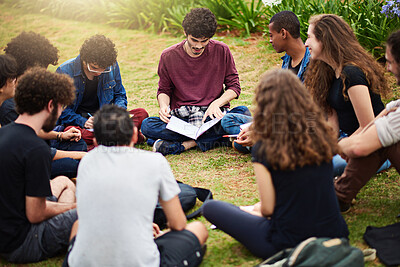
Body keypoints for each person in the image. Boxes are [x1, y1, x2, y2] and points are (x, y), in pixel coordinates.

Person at [202, 69, 348, 259]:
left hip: (290, 240)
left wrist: (252, 211)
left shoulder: (265, 148)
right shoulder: (319, 133)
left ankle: (244, 212)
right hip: (334, 231)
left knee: (210, 208)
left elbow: (269, 209)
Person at [62, 104, 208, 267]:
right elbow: (178, 224)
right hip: (140, 261)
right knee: (198, 228)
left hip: (80, 263)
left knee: (77, 225)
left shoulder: (87, 162)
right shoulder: (155, 161)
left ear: (95, 141)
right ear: (134, 135)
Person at [141, 8, 250, 156]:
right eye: (194, 40)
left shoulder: (222, 50)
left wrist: (216, 103)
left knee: (241, 112)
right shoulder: (168, 56)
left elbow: (234, 86)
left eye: (204, 41)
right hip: (182, 118)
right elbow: (164, 90)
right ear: (185, 32)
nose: (198, 46)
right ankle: (218, 139)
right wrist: (164, 107)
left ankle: (184, 145)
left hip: (213, 116)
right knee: (147, 125)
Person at [0, 68, 78, 263]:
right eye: (61, 107)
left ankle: (66, 228)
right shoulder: (36, 148)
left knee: (63, 182)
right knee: (95, 208)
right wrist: (76, 207)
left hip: (5, 228)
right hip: (23, 242)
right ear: (51, 105)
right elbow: (35, 214)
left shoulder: (4, 132)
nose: (60, 114)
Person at [304, 14, 391, 177]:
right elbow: (332, 120)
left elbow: (368, 124)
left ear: (325, 39)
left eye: (309, 38)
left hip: (372, 144)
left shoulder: (352, 73)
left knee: (319, 168)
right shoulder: (327, 70)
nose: (306, 43)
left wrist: (338, 149)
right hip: (347, 140)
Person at [222, 11, 311, 153]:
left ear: (283, 33)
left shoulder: (312, 64)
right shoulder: (287, 61)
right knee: (228, 120)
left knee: (241, 144)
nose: (270, 40)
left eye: (271, 35)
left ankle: (262, 143)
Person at [2, 31, 87, 178]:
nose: (44, 72)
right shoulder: (9, 105)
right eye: (43, 67)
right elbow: (33, 147)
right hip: (33, 158)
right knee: (74, 163)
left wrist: (60, 135)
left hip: (40, 144)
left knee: (77, 143)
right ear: (28, 66)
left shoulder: (24, 90)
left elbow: (34, 129)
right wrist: (81, 155)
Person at [334, 30, 400, 212]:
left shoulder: (352, 74)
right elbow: (388, 111)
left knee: (380, 140)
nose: (387, 68)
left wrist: (339, 147)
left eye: (390, 62)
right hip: (353, 139)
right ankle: (339, 196)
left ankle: (338, 195)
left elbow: (359, 147)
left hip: (352, 143)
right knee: (378, 133)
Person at [56, 34, 148, 148]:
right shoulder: (65, 71)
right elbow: (60, 110)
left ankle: (104, 142)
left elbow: (119, 94)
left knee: (141, 113)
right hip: (81, 122)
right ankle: (127, 137)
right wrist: (82, 121)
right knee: (74, 132)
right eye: (94, 68)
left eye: (104, 69)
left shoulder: (111, 65)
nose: (99, 73)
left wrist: (117, 114)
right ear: (84, 60)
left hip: (107, 120)